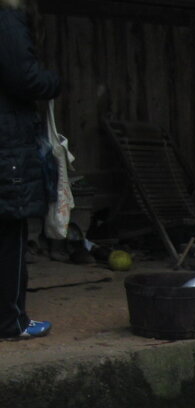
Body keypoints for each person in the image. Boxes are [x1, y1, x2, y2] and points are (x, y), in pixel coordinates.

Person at [0, 0, 61, 340]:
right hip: (6, 143)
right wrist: (53, 81)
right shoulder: (6, 20)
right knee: (10, 232)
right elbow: (25, 79)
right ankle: (12, 322)